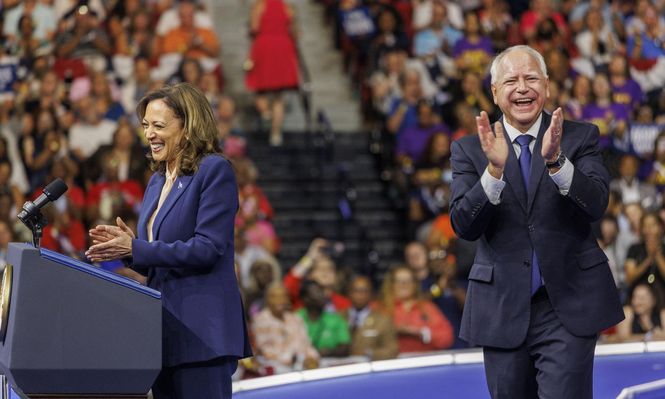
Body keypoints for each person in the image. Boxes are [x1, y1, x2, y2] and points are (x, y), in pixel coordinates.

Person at [449, 45, 623, 398]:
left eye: (531, 78)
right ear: (495, 92)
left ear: (546, 84)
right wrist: (494, 171)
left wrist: (557, 162)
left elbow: (595, 205)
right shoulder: (470, 150)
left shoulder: (580, 137)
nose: (522, 88)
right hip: (501, 308)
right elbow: (464, 225)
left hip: (567, 305)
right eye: (511, 80)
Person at [85, 83, 252, 399]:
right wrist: (130, 249)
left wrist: (136, 248)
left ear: (187, 128)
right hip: (163, 334)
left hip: (201, 334)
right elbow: (159, 254)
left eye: (159, 126)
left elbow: (208, 249)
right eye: (146, 125)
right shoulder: (157, 179)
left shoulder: (214, 170)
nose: (149, 134)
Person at [245, 0, 300, 146]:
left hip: (264, 47)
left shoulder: (259, 6)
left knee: (260, 90)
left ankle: (266, 114)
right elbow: (295, 33)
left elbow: (254, 28)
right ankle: (276, 134)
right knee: (279, 96)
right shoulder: (287, 7)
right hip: (283, 48)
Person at [345, 275, 398, 360]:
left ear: (371, 294)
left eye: (365, 291)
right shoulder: (338, 317)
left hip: (370, 368)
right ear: (349, 293)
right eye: (356, 291)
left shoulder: (383, 320)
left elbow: (392, 351)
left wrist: (367, 353)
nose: (360, 295)